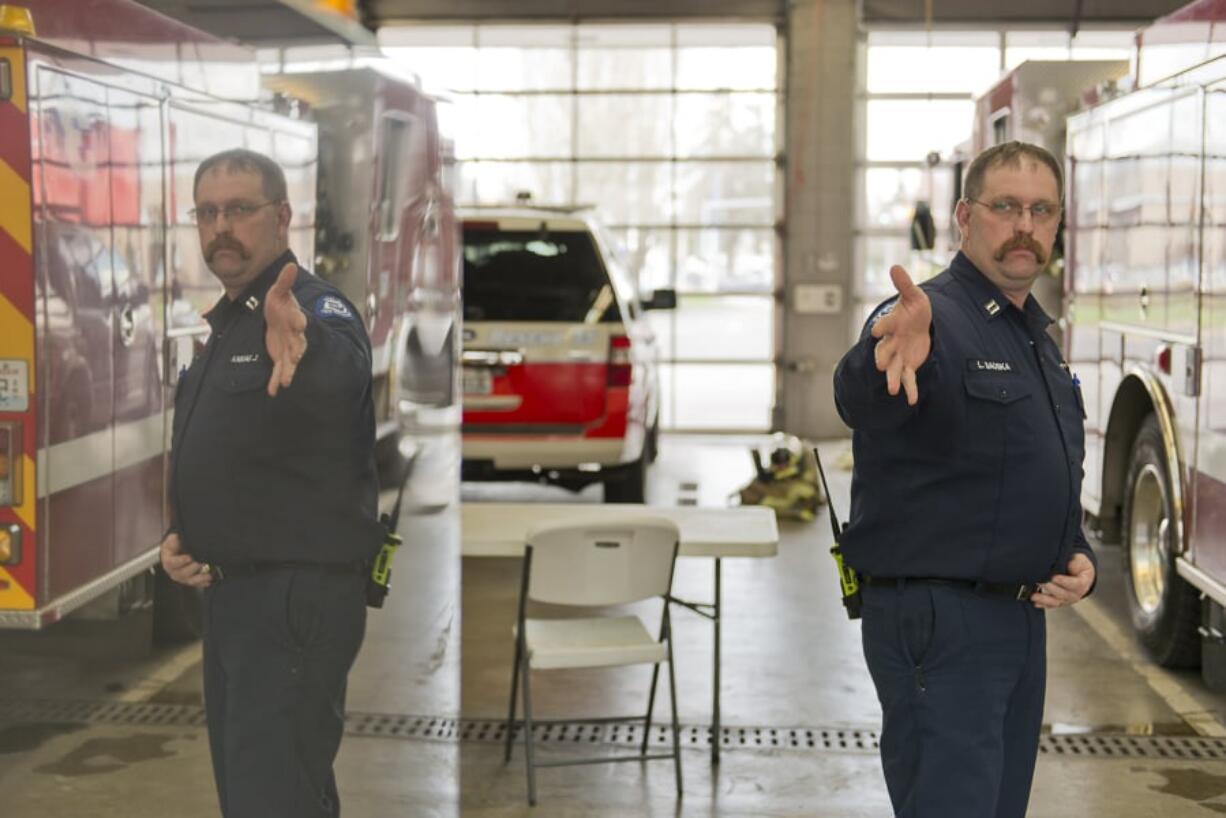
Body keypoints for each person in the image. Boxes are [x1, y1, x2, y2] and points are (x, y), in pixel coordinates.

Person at [833, 140, 1097, 818]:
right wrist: (881, 358)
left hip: (1018, 616)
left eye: (1042, 210)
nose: (1025, 227)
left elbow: (1043, 464)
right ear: (963, 216)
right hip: (941, 621)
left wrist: (1079, 557)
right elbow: (865, 395)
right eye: (1005, 207)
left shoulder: (1033, 333)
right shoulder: (929, 316)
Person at [159, 148, 383, 818]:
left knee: (271, 798)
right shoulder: (227, 323)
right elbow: (233, 449)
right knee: (272, 791)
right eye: (207, 212)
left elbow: (337, 376)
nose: (220, 227)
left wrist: (305, 343)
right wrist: (184, 533)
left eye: (239, 210)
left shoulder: (311, 310)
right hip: (237, 601)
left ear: (283, 216)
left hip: (292, 603)